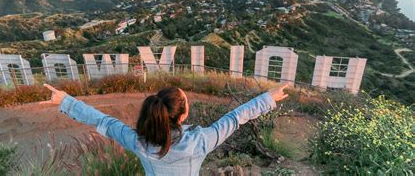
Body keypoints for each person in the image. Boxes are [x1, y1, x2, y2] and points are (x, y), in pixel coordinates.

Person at [42, 82, 290, 175]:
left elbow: (104, 121)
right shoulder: (201, 141)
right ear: (183, 115)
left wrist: (65, 101)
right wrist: (267, 98)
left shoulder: (138, 142)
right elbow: (236, 118)